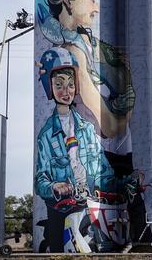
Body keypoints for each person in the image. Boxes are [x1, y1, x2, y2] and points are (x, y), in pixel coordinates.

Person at [36, 0, 152, 244]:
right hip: (75, 196)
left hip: (97, 179)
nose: (96, 8)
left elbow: (101, 162)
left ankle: (139, 243)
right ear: (68, 0)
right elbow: (110, 125)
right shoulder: (73, 54)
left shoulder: (86, 45)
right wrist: (124, 105)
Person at [34, 47, 116, 252]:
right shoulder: (46, 135)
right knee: (60, 250)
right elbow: (40, 179)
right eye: (59, 85)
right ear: (49, 87)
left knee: (100, 248)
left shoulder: (87, 129)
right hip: (60, 208)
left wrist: (121, 183)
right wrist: (55, 186)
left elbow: (103, 170)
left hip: (89, 207)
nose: (66, 91)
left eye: (70, 85)